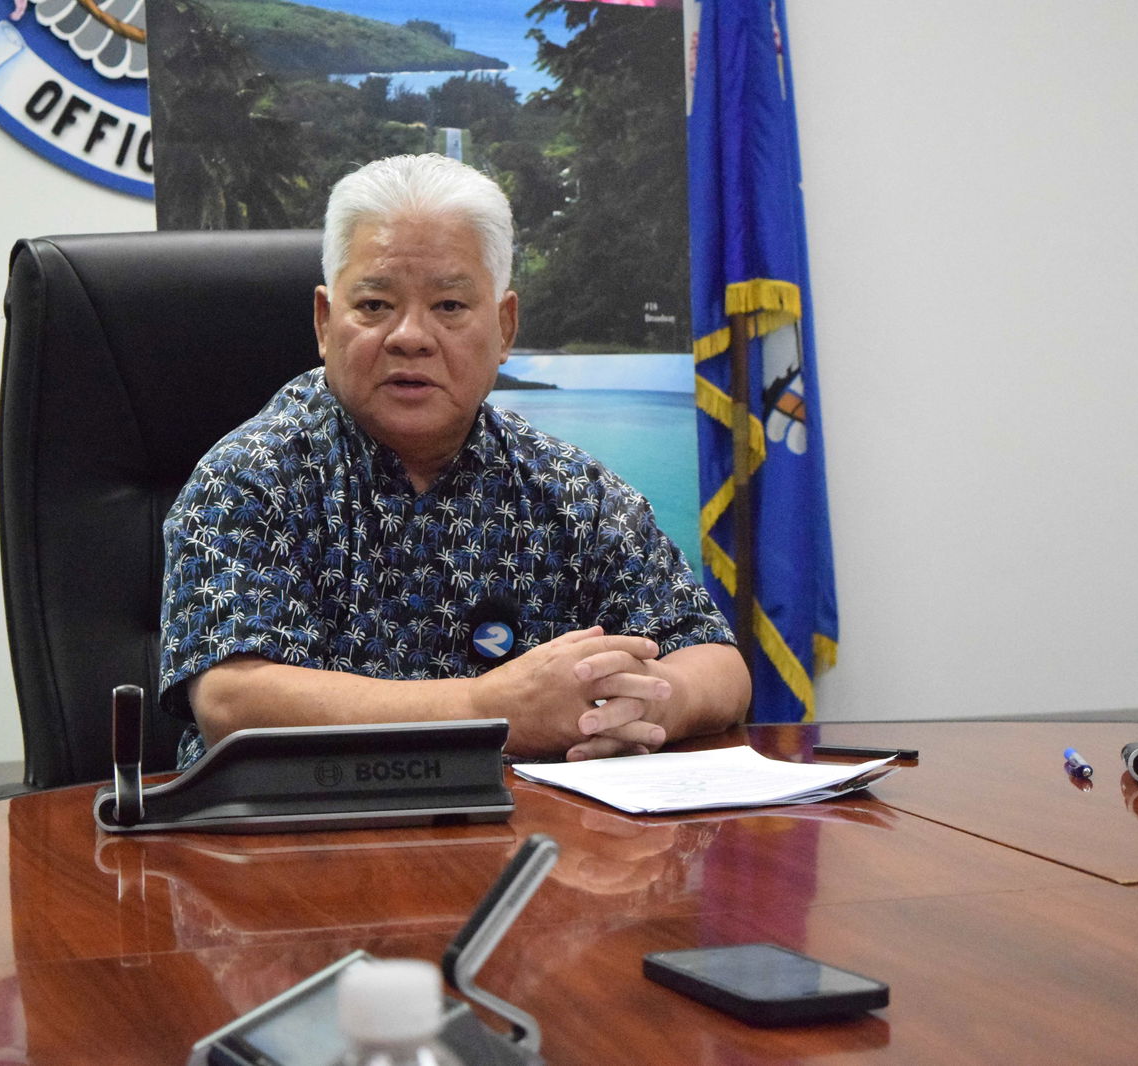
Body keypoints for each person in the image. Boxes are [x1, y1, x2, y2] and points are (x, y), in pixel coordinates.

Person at [159, 153, 749, 766]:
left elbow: (717, 661)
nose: (410, 336)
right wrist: (489, 710)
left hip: (534, 824)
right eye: (375, 305)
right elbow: (233, 701)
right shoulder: (250, 477)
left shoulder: (569, 490)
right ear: (325, 323)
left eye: (449, 306)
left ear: (505, 328)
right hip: (301, 824)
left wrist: (649, 703)